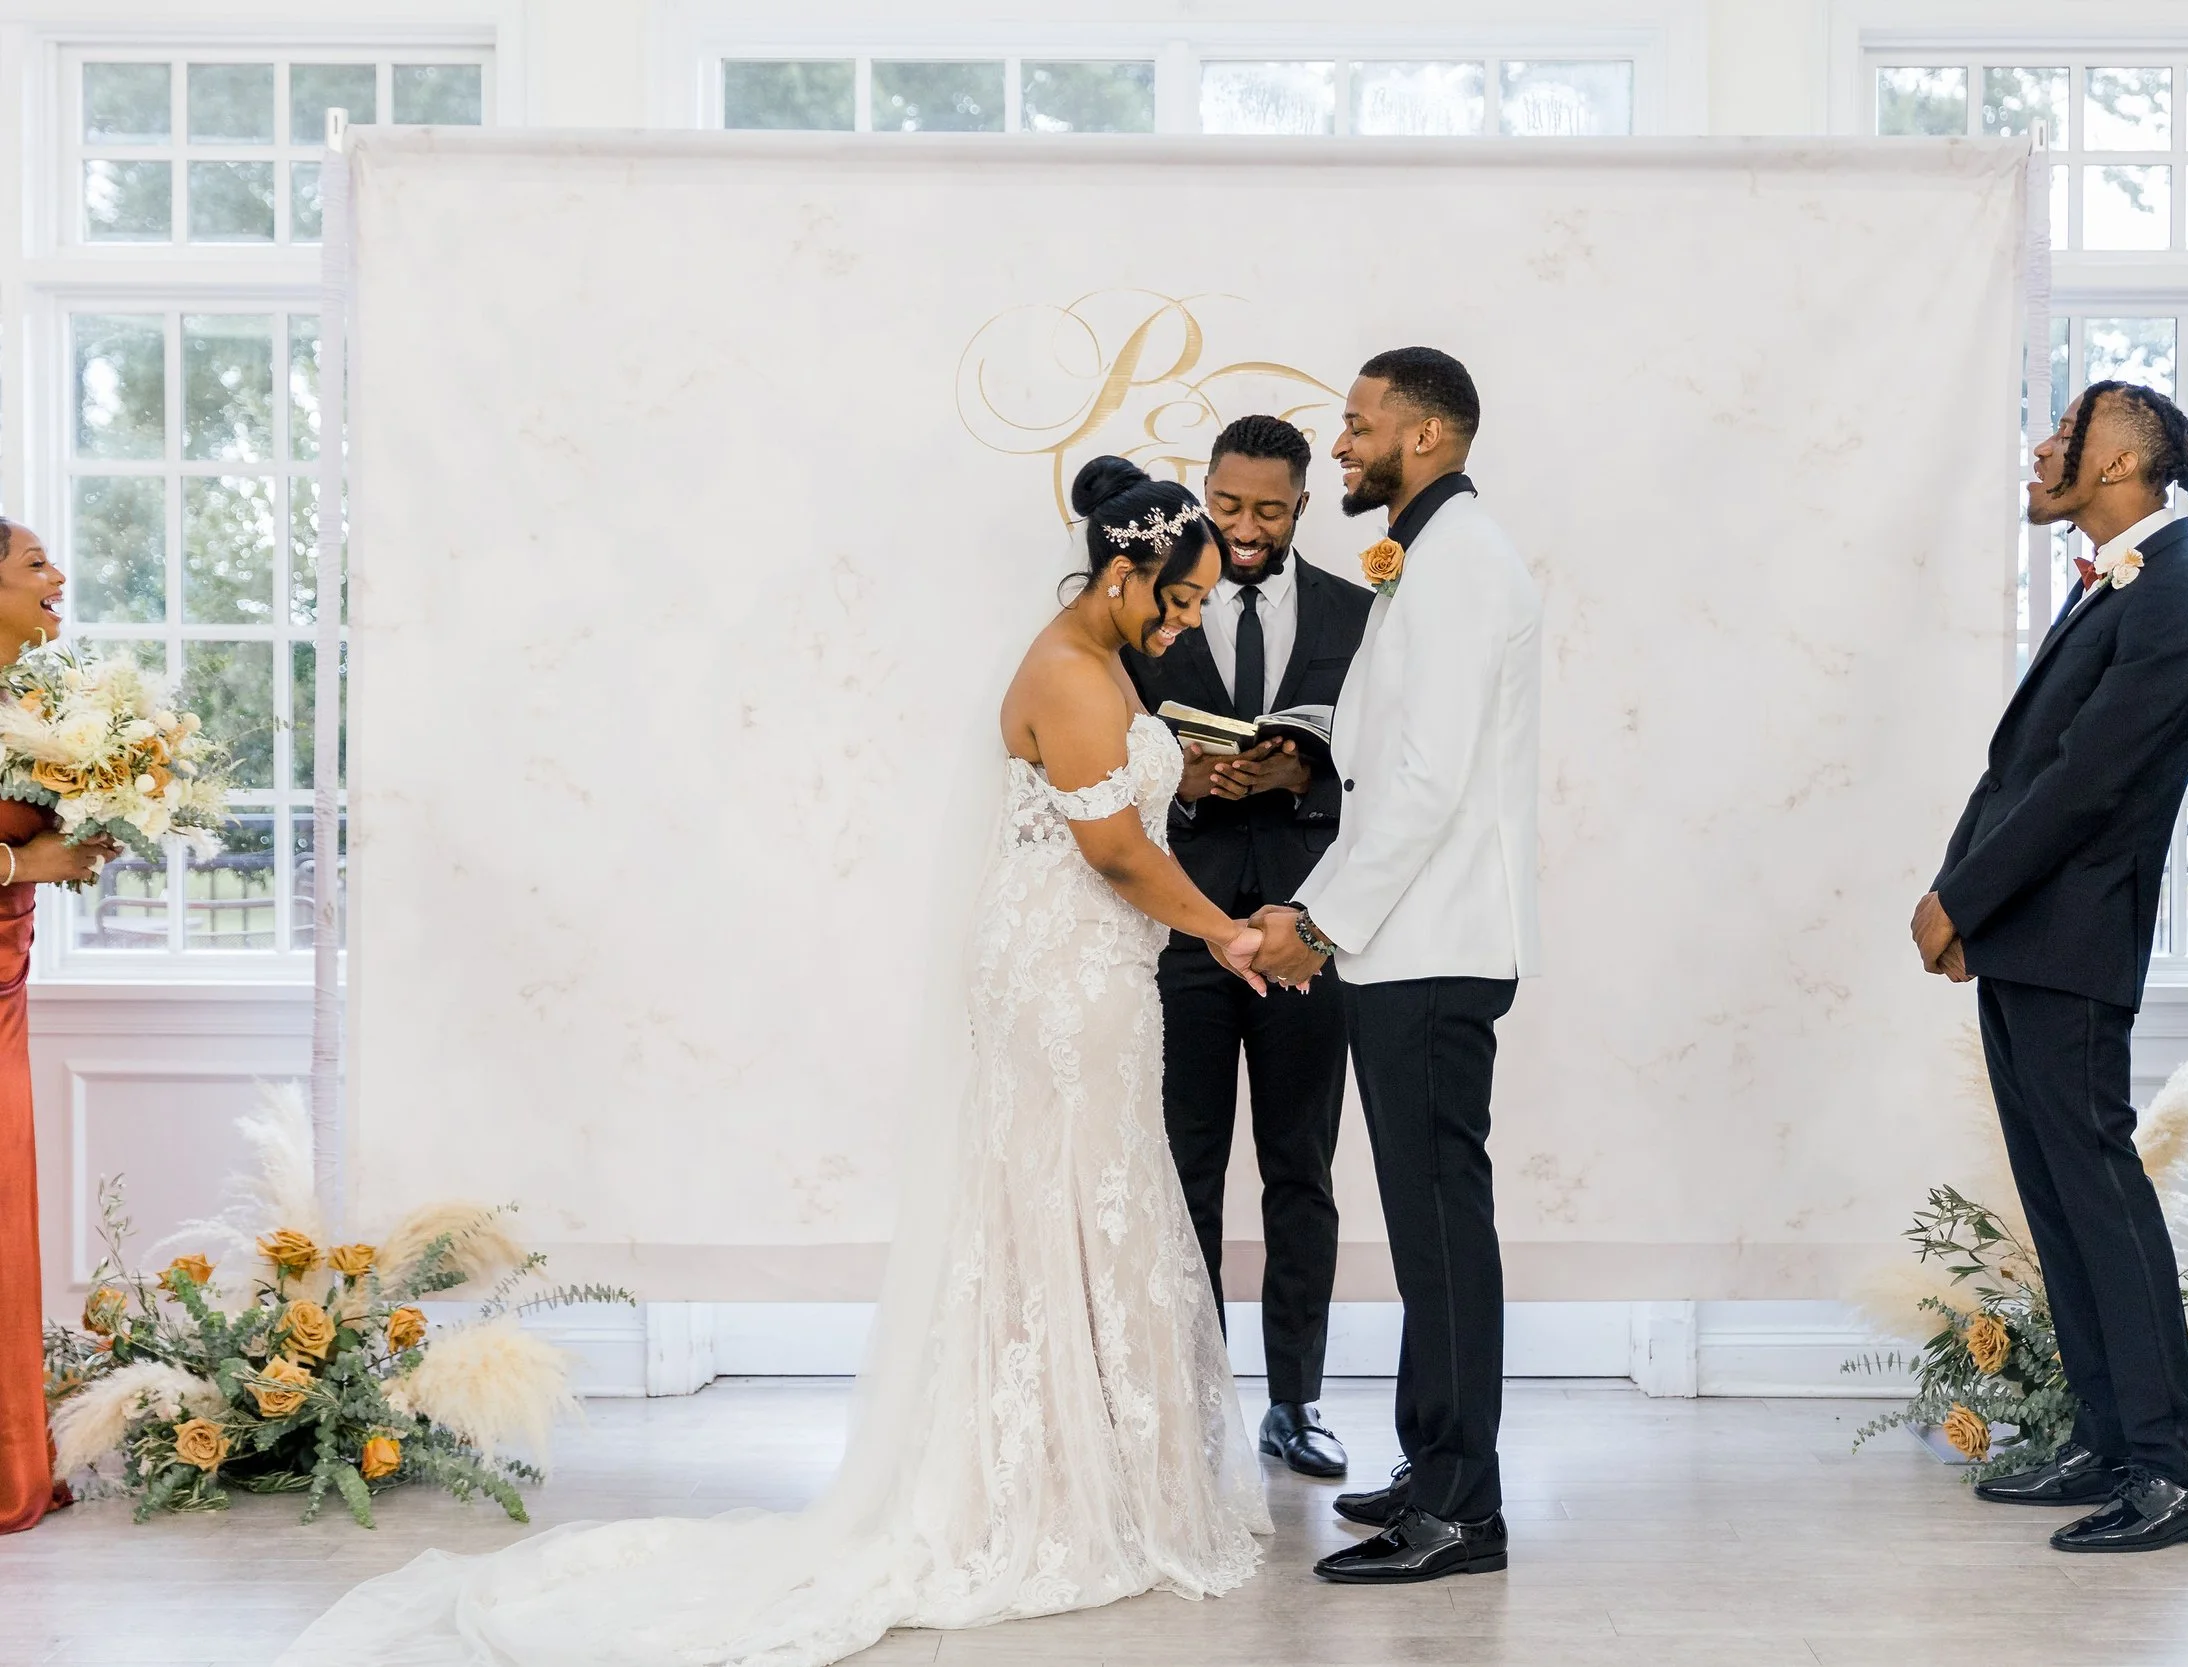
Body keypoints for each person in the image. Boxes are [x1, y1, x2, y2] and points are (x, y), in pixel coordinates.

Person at [280, 461, 1273, 1664]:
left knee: (1089, 1202)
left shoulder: (1108, 656)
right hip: (1061, 968)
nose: (1184, 623)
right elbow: (1113, 852)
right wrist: (1223, 928)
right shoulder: (1067, 671)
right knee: (1056, 1200)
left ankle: (1093, 1475)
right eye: (1176, 600)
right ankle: (1038, 1487)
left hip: (1097, 965)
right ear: (1124, 571)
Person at [1914, 381, 2188, 1552]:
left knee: (2100, 1200)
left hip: (2074, 935)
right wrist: (1969, 902)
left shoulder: (2183, 597)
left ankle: (2171, 1471)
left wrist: (1960, 895)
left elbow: (2084, 780)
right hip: (2031, 933)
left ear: (2114, 466)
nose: (2042, 448)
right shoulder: (2120, 581)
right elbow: (2025, 762)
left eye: (2062, 435)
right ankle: (2107, 1440)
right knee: (2060, 1200)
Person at [1250, 348, 1541, 1585]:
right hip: (1405, 943)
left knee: (1439, 1228)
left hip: (1430, 944)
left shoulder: (1463, 563)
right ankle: (1431, 1461)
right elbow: (1393, 750)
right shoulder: (1423, 555)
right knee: (1426, 1223)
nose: (1344, 445)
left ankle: (1466, 1512)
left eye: (1360, 427)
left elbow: (1423, 782)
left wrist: (1316, 920)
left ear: (1425, 437)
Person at [1121, 415, 1374, 1481]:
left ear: (1302, 506)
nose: (1246, 525)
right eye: (1228, 505)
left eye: (1268, 509)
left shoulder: (1360, 613)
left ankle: (1297, 1400)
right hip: (1186, 918)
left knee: (1299, 1168)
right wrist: (1181, 773)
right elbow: (1109, 739)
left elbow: (1384, 755)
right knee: (1184, 1165)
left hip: (1306, 927)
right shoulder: (1150, 609)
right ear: (1204, 495)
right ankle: (1189, 1399)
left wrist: (1302, 771)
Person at [0, 520, 119, 1535]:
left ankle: (14, 1456)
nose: (58, 577)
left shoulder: (37, 702)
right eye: (34, 563)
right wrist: (23, 865)